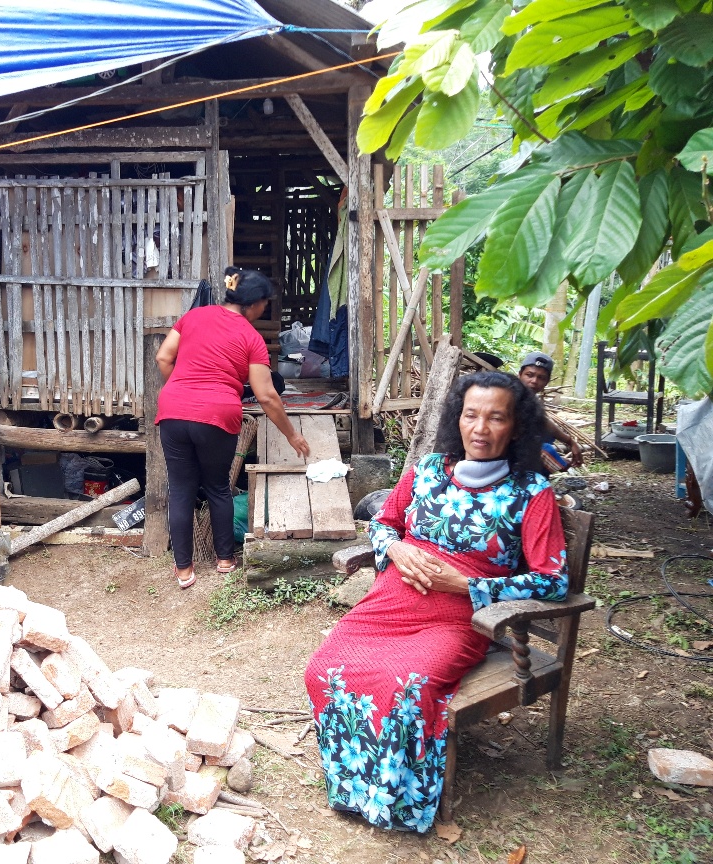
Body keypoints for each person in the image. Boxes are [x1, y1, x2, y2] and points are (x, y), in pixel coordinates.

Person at [304, 371, 568, 833]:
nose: (481, 429)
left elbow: (553, 580)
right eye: (471, 415)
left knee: (406, 684)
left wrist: (467, 586)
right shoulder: (427, 470)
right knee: (324, 668)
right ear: (457, 419)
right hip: (389, 604)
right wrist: (398, 547)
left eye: (496, 418)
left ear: (517, 426)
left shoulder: (531, 493)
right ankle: (352, 785)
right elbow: (383, 523)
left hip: (461, 617)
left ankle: (398, 801)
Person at [155, 269, 310, 589]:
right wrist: (292, 434)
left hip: (172, 411)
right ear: (253, 304)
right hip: (217, 415)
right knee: (217, 487)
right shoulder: (251, 338)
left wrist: (184, 390)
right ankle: (225, 560)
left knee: (181, 491)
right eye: (265, 304)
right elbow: (266, 394)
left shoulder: (194, 316)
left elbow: (163, 357)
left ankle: (184, 570)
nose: (264, 309)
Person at [517, 351, 583, 469]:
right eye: (529, 375)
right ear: (520, 375)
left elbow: (543, 421)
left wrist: (570, 442)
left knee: (548, 436)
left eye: (541, 378)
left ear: (547, 382)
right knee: (546, 449)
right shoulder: (509, 396)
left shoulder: (529, 399)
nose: (534, 381)